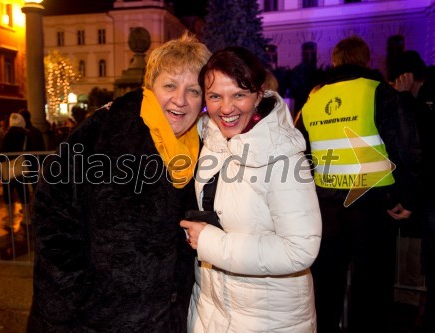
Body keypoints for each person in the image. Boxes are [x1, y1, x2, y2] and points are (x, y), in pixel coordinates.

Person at [27, 32, 211, 332]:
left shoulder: (202, 146)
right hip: (98, 318)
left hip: (166, 319)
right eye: (170, 85)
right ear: (150, 86)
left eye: (193, 90)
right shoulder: (104, 131)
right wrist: (77, 293)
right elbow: (52, 210)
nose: (180, 100)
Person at [180, 46, 322, 332]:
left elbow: (301, 249)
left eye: (239, 95)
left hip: (268, 320)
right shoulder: (211, 136)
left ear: (258, 95)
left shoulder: (282, 156)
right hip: (211, 310)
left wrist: (210, 243)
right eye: (215, 96)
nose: (227, 108)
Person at [299, 36, 421, 332]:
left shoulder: (313, 101)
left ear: (336, 60)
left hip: (326, 210)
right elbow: (404, 147)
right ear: (366, 60)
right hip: (373, 209)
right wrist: (402, 197)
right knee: (372, 289)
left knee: (326, 288)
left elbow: (300, 154)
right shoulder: (379, 92)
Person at [391, 50, 435, 333]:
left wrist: (405, 98)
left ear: (406, 76)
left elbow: (420, 137)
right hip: (424, 189)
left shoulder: (427, 94)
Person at [0, 113, 31, 232]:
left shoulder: (7, 134)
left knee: (8, 192)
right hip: (21, 166)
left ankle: (10, 219)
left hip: (8, 168)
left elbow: (2, 152)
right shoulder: (26, 134)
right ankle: (27, 218)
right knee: (23, 191)